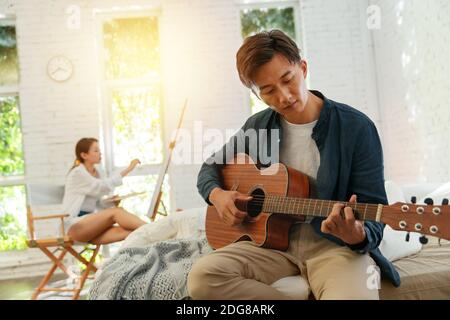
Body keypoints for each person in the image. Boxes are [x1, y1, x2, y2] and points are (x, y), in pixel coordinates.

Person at [187, 30, 400, 300]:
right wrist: (217, 195)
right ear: (257, 94)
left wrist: (356, 234)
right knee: (202, 278)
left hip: (334, 248)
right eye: (268, 91)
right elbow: (210, 168)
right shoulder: (257, 126)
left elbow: (374, 215)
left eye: (288, 79)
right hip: (271, 246)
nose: (284, 97)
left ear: (303, 68)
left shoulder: (356, 127)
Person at [62, 138, 147, 245]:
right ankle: (157, 229)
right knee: (116, 212)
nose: (100, 153)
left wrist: (111, 201)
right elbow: (101, 187)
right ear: (84, 155)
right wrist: (128, 169)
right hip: (74, 227)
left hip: (90, 227)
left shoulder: (98, 173)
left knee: (132, 232)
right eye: (96, 150)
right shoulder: (78, 173)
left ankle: (159, 235)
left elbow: (98, 203)